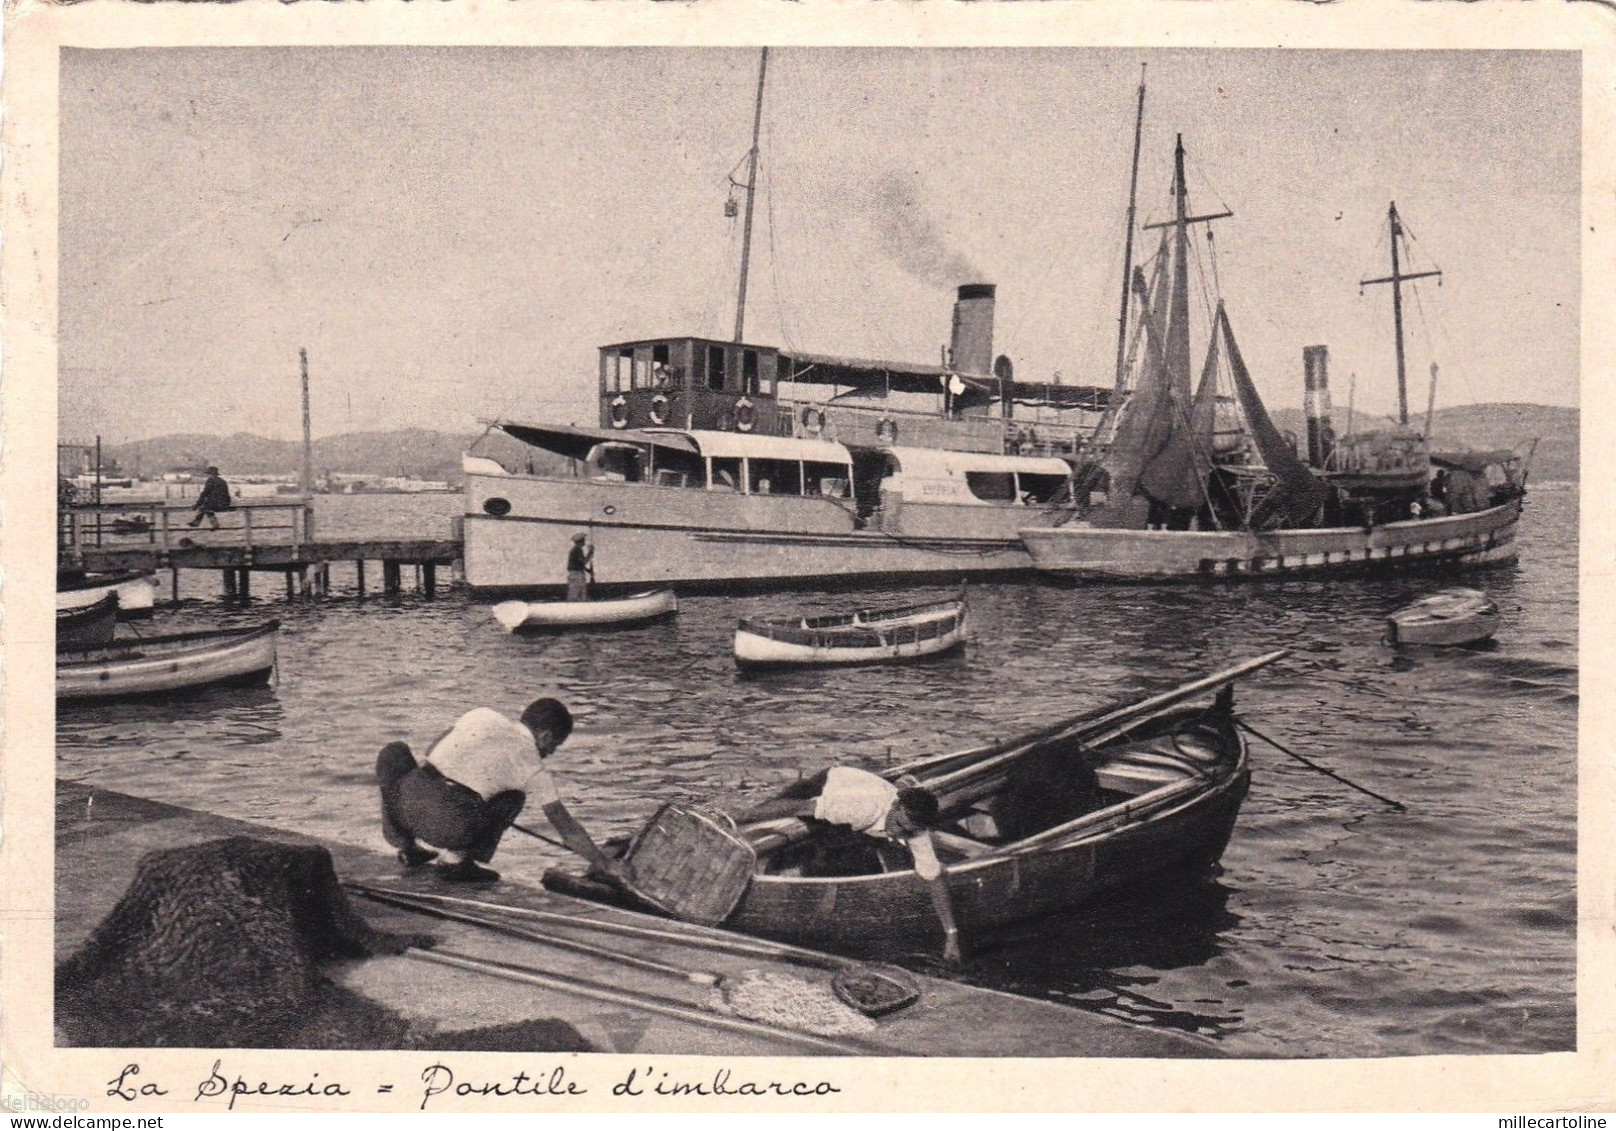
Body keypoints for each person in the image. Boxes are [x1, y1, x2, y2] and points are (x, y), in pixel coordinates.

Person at [376, 698, 628, 885]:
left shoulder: (482, 715)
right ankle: (456, 863)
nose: (551, 752)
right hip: (447, 827)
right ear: (544, 735)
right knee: (513, 797)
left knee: (394, 752)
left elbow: (433, 750)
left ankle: (408, 847)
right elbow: (566, 827)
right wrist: (603, 863)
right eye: (554, 745)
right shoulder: (534, 767)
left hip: (405, 808)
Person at [742, 767, 963, 962]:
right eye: (899, 825)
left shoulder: (915, 829)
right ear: (895, 806)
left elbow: (934, 879)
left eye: (907, 832)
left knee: (856, 849)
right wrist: (740, 816)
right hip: (829, 784)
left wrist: (951, 934)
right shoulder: (857, 808)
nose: (900, 834)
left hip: (863, 800)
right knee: (813, 831)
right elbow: (796, 807)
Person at [565, 533, 594, 601]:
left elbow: (579, 564)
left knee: (580, 593)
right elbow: (584, 561)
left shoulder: (576, 550)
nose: (584, 542)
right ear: (580, 542)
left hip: (577, 573)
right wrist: (590, 552)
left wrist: (587, 570)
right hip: (576, 574)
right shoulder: (576, 550)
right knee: (576, 594)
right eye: (583, 540)